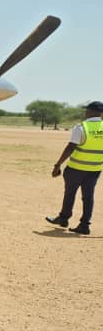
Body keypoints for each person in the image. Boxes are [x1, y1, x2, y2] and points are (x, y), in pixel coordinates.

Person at [45, 100, 103, 235]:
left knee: (70, 194)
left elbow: (71, 146)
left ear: (91, 112)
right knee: (88, 197)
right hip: (94, 170)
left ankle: (63, 218)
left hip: (76, 168)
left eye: (87, 110)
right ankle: (84, 225)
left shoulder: (81, 127)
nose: (85, 112)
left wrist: (57, 165)